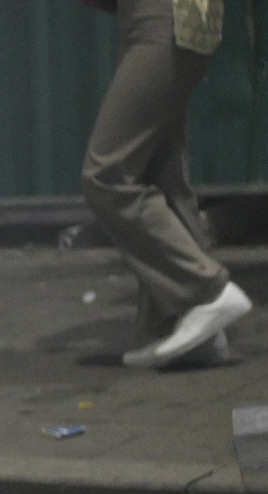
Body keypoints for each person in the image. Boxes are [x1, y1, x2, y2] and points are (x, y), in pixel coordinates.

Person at [80, 0, 252, 368]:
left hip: (163, 16)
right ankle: (185, 330)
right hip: (160, 18)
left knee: (108, 174)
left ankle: (206, 291)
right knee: (162, 173)